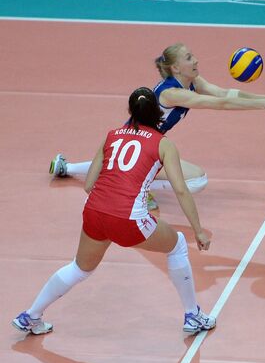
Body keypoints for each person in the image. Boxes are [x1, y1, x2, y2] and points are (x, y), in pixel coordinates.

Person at [11, 87, 216, 336]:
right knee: (178, 245)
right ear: (157, 113)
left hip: (95, 211)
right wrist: (198, 230)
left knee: (80, 268)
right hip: (130, 219)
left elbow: (88, 184)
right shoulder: (163, 144)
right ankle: (192, 315)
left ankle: (30, 316)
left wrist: (109, 206)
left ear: (130, 111)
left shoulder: (111, 135)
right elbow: (181, 190)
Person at [49, 43, 265, 210]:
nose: (195, 60)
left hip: (135, 144)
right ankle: (137, 186)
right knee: (198, 181)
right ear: (175, 68)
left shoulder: (193, 81)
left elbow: (225, 93)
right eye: (188, 58)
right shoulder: (173, 93)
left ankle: (65, 167)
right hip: (140, 148)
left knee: (112, 163)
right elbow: (222, 104)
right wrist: (262, 105)